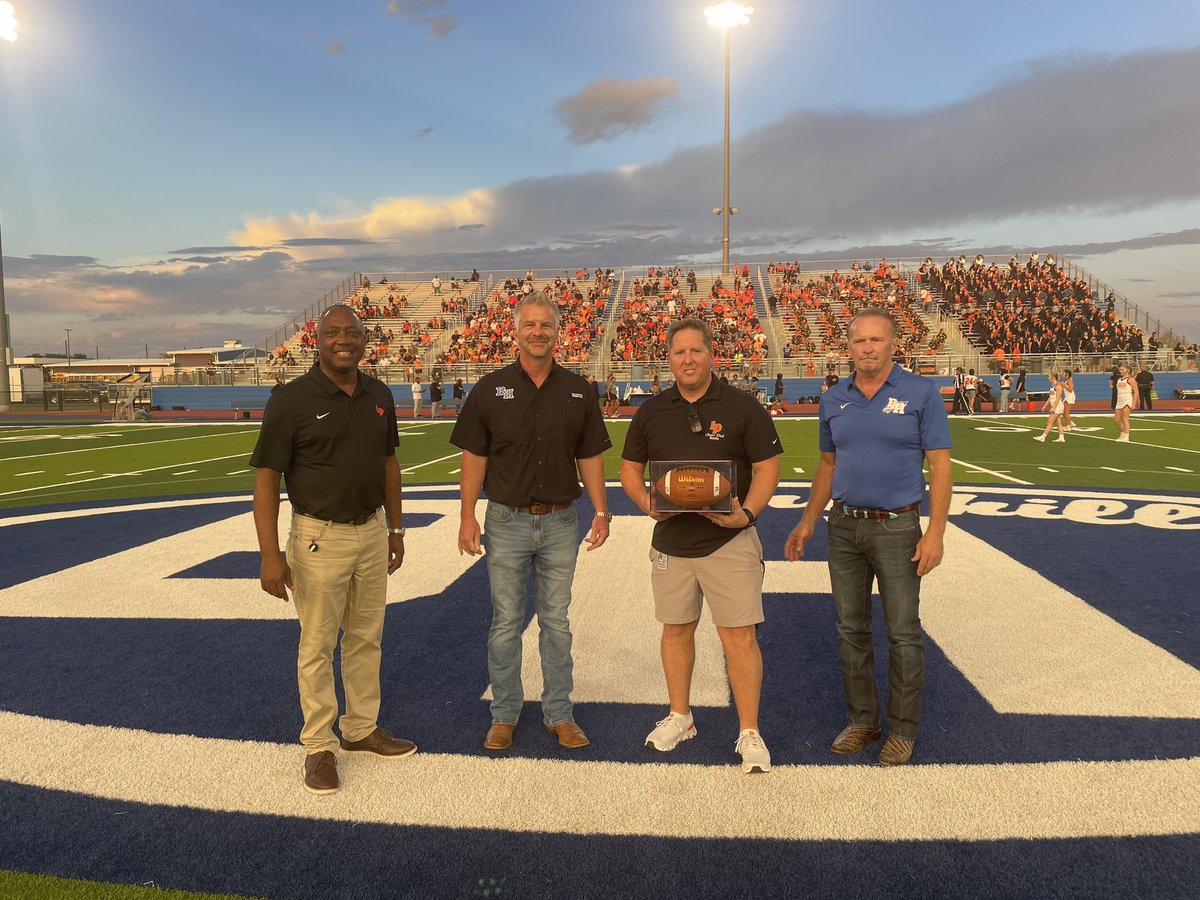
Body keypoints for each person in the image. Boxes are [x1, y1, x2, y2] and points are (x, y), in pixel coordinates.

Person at [250, 304, 415, 795]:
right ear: (316, 340)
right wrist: (269, 555)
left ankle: (360, 729)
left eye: (353, 332)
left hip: (371, 531)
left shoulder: (378, 393)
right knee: (318, 645)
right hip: (319, 535)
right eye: (333, 332)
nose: (344, 339)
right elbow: (266, 480)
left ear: (365, 340)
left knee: (366, 638)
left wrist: (397, 529)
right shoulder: (291, 399)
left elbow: (389, 466)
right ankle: (318, 745)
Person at [783, 308, 952, 766]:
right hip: (843, 526)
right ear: (849, 347)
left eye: (877, 340)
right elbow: (826, 465)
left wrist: (935, 531)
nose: (868, 349)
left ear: (893, 345)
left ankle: (902, 729)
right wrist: (807, 521)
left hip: (898, 526)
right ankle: (863, 720)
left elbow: (939, 467)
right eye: (860, 342)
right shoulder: (834, 397)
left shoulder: (920, 392)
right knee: (851, 630)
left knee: (902, 631)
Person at [451, 291, 613, 752]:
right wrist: (467, 516)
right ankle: (504, 713)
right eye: (530, 325)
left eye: (547, 325)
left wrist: (601, 511)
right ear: (516, 332)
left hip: (562, 520)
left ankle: (559, 713)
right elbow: (474, 457)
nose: (538, 332)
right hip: (505, 520)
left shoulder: (579, 389)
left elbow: (590, 456)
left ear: (559, 332)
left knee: (556, 621)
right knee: (506, 621)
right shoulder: (489, 389)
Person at [620, 318, 783, 774]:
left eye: (696, 351)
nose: (687, 359)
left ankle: (748, 729)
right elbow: (629, 469)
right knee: (675, 630)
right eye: (679, 352)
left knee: (738, 637)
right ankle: (680, 716)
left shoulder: (742, 406)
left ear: (712, 354)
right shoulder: (652, 410)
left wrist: (746, 514)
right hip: (672, 540)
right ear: (668, 359)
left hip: (727, 541)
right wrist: (647, 502)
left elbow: (769, 467)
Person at [1034, 373, 1067, 443]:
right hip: (1056, 406)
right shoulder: (1053, 386)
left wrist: (1054, 407)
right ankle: (1061, 437)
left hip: (1058, 407)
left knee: (1049, 422)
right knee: (1058, 422)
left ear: (1053, 377)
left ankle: (1043, 437)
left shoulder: (1058, 386)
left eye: (1049, 376)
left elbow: (1058, 398)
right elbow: (1050, 397)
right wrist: (1045, 406)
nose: (1048, 377)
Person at [1114, 364, 1138, 441]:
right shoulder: (1119, 380)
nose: (1121, 371)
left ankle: (1126, 436)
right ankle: (1122, 433)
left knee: (1125, 419)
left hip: (1127, 400)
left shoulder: (1131, 380)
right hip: (1119, 401)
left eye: (1123, 370)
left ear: (1128, 370)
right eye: (1120, 370)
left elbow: (1136, 391)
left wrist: (1134, 403)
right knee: (1117, 420)